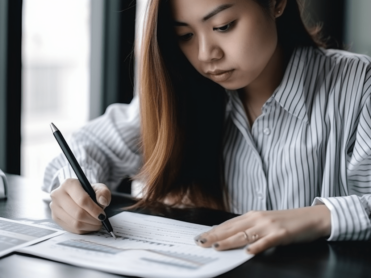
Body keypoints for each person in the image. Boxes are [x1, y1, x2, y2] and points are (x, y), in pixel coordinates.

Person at [44, 0, 371, 255]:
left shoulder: (358, 87)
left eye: (223, 26)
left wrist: (317, 217)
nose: (205, 55)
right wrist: (73, 190)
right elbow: (88, 148)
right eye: (184, 36)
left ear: (276, 3)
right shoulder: (184, 93)